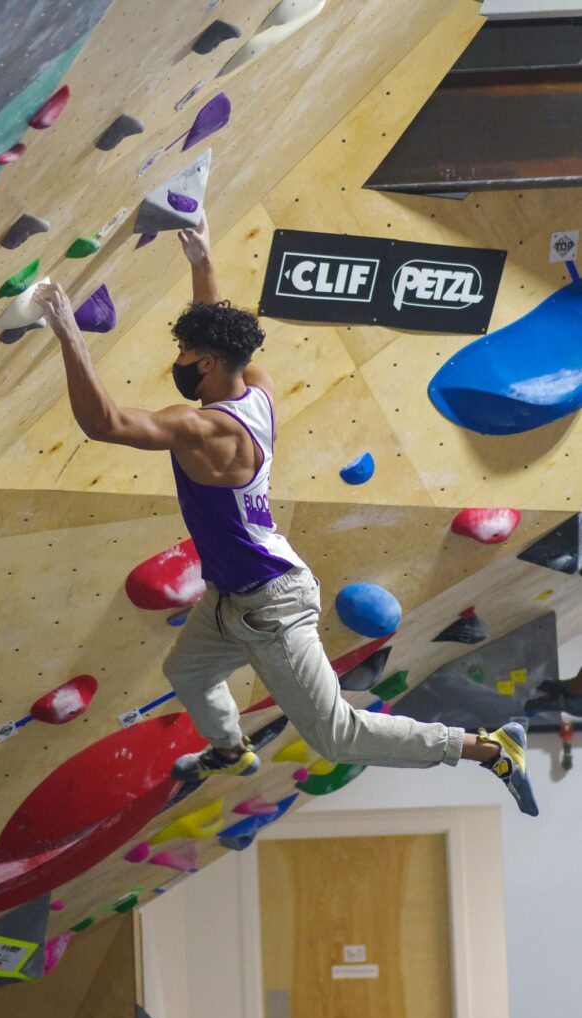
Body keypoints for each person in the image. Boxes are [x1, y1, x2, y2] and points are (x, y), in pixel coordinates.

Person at [35, 211, 538, 817]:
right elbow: (224, 334)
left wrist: (69, 334)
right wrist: (202, 261)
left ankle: (487, 749)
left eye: (185, 353)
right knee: (187, 673)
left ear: (210, 365)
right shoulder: (256, 389)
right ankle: (229, 750)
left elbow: (105, 424)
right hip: (232, 595)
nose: (180, 360)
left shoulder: (204, 430)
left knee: (336, 735)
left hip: (272, 606)